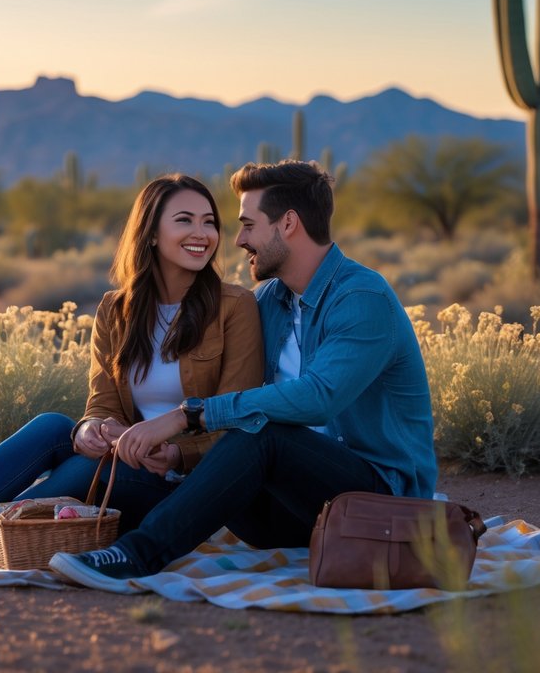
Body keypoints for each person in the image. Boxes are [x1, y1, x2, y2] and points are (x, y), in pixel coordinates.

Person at [49, 160, 438, 591]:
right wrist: (171, 452)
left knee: (260, 432)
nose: (237, 240)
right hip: (287, 511)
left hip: (377, 506)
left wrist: (186, 416)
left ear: (287, 223)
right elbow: (242, 392)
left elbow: (319, 398)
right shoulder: (268, 300)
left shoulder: (361, 298)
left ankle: (136, 557)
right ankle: (32, 529)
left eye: (248, 225)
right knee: (160, 455)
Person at [0, 174, 263, 554]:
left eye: (209, 222)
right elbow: (102, 403)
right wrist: (91, 428)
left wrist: (175, 452)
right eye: (185, 220)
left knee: (89, 463)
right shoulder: (117, 310)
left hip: (182, 487)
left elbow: (238, 418)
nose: (202, 233)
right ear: (150, 233)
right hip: (119, 466)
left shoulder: (234, 307)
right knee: (55, 426)